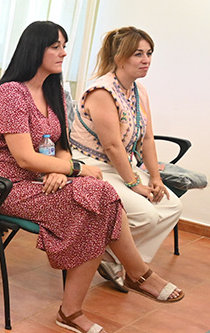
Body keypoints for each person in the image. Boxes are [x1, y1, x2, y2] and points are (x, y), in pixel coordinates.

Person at [0, 21, 183, 333]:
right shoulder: (11, 94)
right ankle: (133, 276)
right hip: (7, 186)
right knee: (96, 199)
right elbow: (24, 158)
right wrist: (73, 168)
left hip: (46, 180)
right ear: (35, 49)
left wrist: (61, 167)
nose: (63, 53)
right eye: (55, 46)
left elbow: (60, 143)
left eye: (65, 45)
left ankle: (80, 307)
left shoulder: (55, 91)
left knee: (97, 201)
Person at [70, 26, 183, 290]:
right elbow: (111, 146)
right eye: (138, 54)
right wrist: (135, 184)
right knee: (145, 214)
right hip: (95, 168)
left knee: (171, 207)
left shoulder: (139, 91)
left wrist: (155, 178)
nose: (146, 60)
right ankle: (126, 265)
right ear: (120, 57)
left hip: (123, 167)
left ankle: (117, 262)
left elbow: (147, 138)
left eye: (149, 53)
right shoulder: (102, 91)